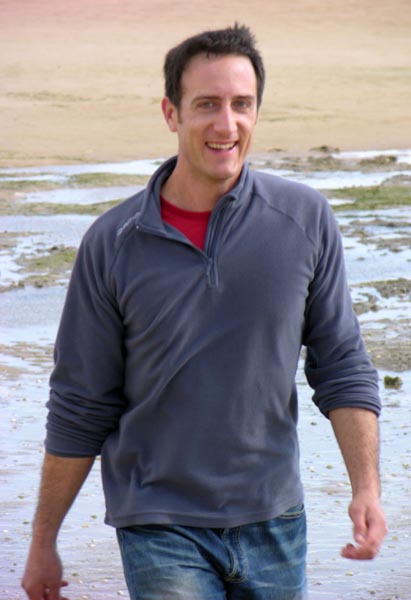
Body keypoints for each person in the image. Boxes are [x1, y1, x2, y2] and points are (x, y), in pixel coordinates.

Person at [22, 23, 387, 600]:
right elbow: (81, 400)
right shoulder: (112, 242)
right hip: (159, 521)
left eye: (242, 104)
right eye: (207, 105)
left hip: (274, 518)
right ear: (171, 113)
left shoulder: (305, 220)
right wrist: (44, 539)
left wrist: (367, 489)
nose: (227, 124)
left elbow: (342, 365)